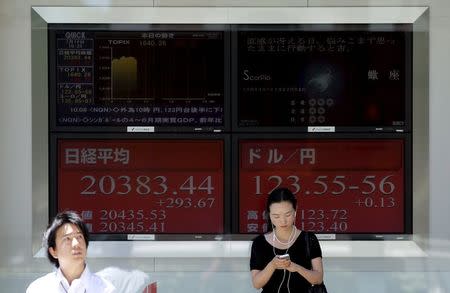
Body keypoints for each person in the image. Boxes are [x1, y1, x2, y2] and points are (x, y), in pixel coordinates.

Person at [250, 188, 324, 293]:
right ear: (269, 214)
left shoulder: (309, 239)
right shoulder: (259, 243)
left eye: (288, 215)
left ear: (295, 211)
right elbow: (257, 284)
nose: (283, 221)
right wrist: (272, 265)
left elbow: (318, 278)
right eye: (276, 216)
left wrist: (297, 268)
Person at [26, 211, 116, 293]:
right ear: (53, 251)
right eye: (67, 239)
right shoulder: (38, 289)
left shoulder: (105, 289)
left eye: (79, 237)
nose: (76, 244)